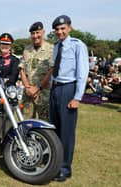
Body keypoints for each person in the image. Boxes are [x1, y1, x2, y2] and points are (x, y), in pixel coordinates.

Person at [50, 15, 89, 182]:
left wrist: (77, 97)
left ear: (69, 28)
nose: (60, 32)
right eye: (57, 29)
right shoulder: (56, 46)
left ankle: (65, 168)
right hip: (55, 88)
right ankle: (55, 164)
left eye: (63, 28)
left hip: (68, 89)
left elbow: (82, 72)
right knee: (55, 129)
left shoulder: (77, 45)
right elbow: (55, 68)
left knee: (66, 132)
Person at [18, 22, 54, 121]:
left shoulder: (51, 49)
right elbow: (21, 69)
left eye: (37, 33)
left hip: (44, 93)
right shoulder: (27, 49)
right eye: (32, 33)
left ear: (43, 32)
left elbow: (52, 70)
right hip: (28, 94)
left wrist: (37, 87)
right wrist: (28, 87)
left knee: (45, 124)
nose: (35, 36)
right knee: (26, 122)